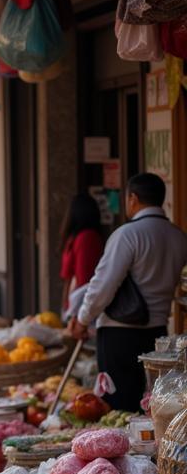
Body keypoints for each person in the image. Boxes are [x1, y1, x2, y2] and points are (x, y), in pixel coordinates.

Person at [69, 173, 187, 412]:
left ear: (132, 198)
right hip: (159, 336)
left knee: (119, 409)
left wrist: (82, 319)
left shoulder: (127, 234)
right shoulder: (178, 237)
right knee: (152, 406)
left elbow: (102, 286)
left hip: (119, 335)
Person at [59, 193, 104, 315]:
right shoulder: (76, 238)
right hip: (74, 302)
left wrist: (75, 312)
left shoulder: (86, 238)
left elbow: (84, 279)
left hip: (80, 305)